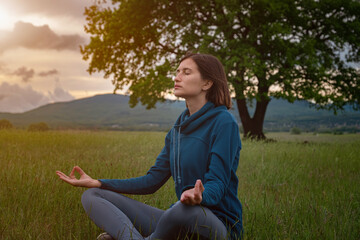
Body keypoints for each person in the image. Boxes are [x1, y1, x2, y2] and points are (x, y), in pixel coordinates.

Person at [56, 52, 243, 240]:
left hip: (216, 225)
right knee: (93, 195)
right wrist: (99, 182)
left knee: (183, 209)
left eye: (186, 72)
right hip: (176, 219)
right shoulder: (177, 132)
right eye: (177, 71)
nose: (177, 77)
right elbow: (152, 181)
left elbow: (218, 183)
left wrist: (201, 197)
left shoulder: (224, 123)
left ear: (207, 83)